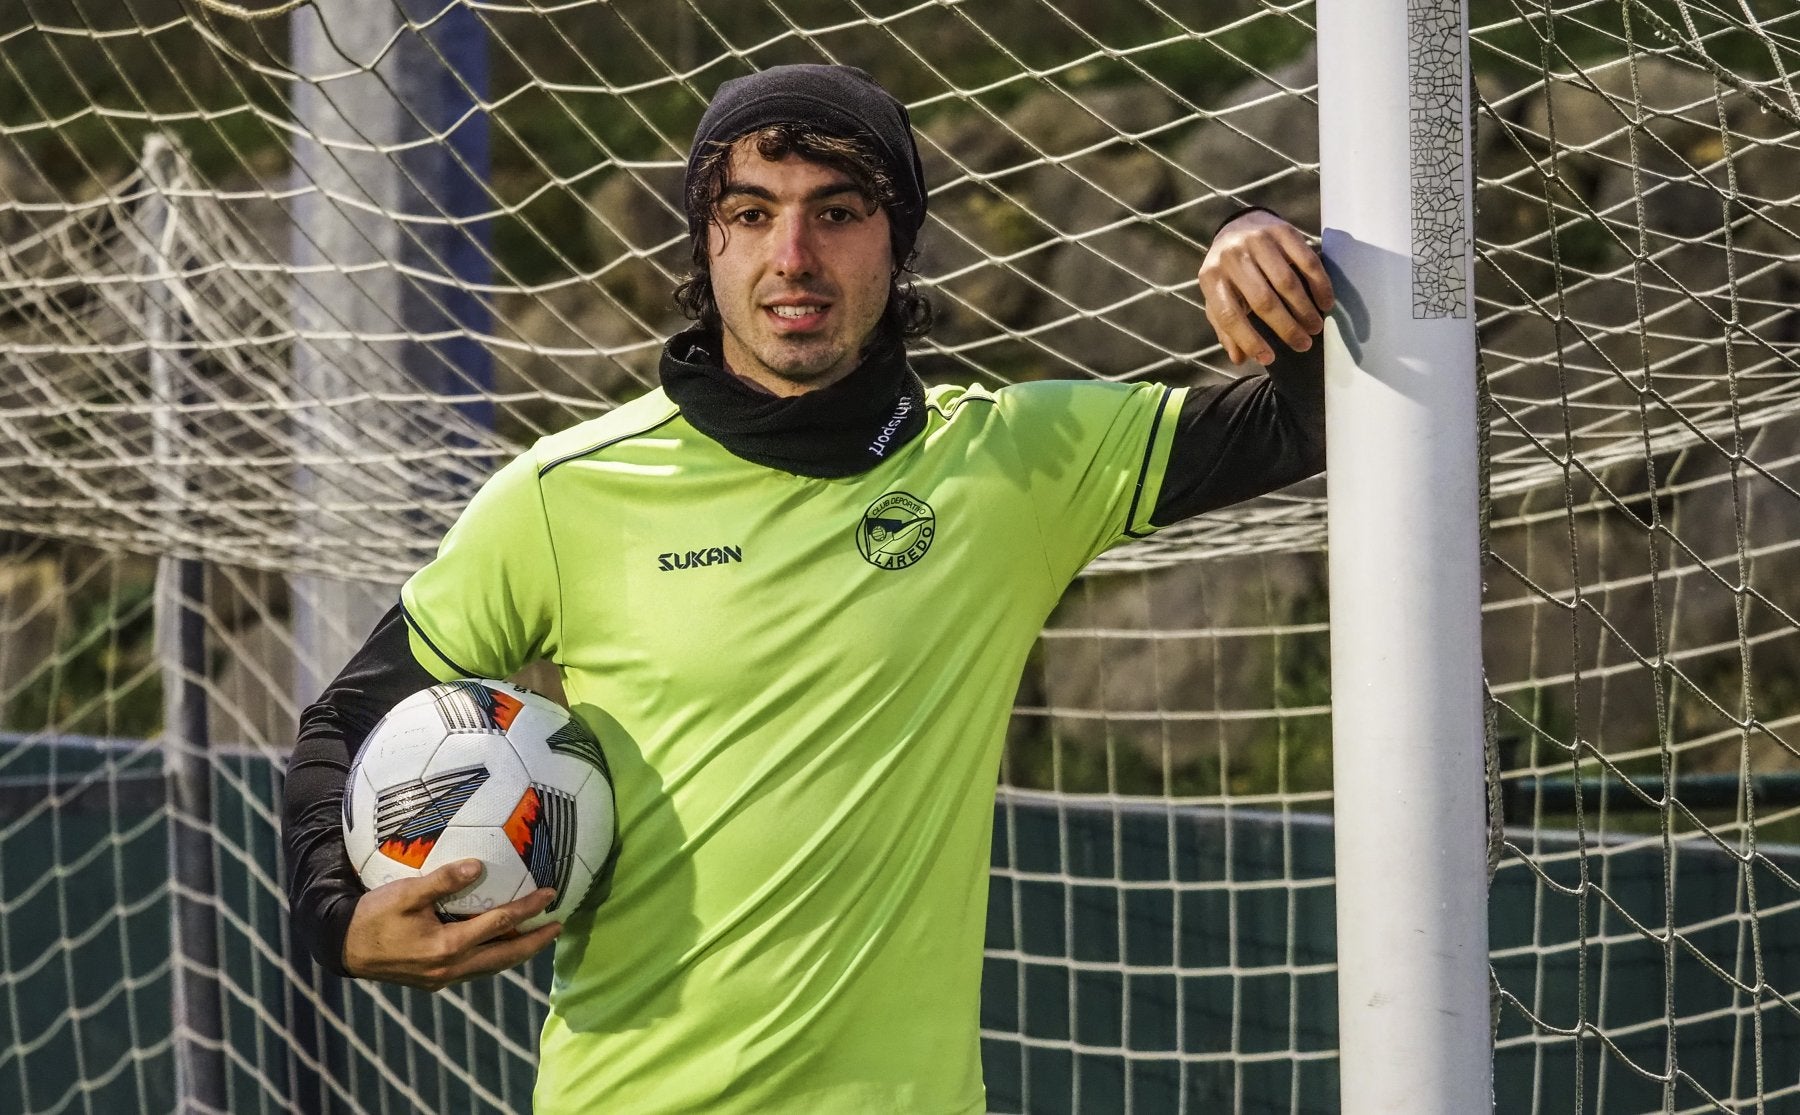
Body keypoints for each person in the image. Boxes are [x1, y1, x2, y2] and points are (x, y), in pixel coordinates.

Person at [283, 63, 1334, 1114]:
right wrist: (336, 910)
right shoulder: (562, 495)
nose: (795, 257)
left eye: (837, 212)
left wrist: (1260, 244)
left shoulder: (1017, 466)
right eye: (753, 212)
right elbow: (348, 713)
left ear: (898, 238)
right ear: (709, 241)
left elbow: (1306, 415)